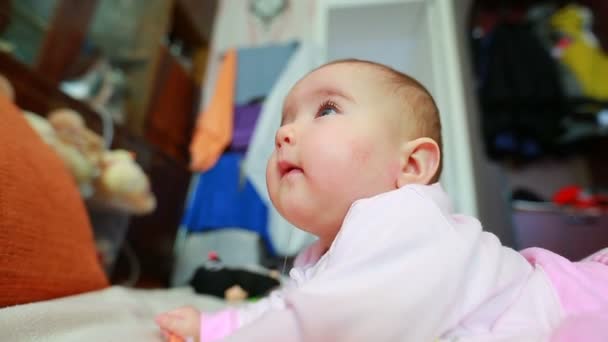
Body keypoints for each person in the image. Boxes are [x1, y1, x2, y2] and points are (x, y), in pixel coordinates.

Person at [156, 59, 608, 341]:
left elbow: (322, 326)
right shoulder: (323, 255)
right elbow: (293, 311)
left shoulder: (402, 217)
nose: (282, 133)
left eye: (327, 110)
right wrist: (215, 329)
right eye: (285, 119)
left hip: (576, 304)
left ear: (411, 167)